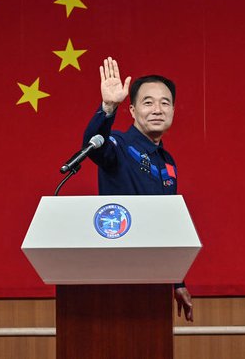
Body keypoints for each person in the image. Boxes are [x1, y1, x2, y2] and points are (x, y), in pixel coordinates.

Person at [82, 56, 194, 321]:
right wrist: (108, 107)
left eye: (165, 103)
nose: (157, 109)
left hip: (153, 278)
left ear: (173, 111)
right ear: (131, 110)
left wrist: (177, 282)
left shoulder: (168, 163)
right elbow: (91, 143)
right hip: (116, 272)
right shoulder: (117, 145)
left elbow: (167, 226)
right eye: (148, 102)